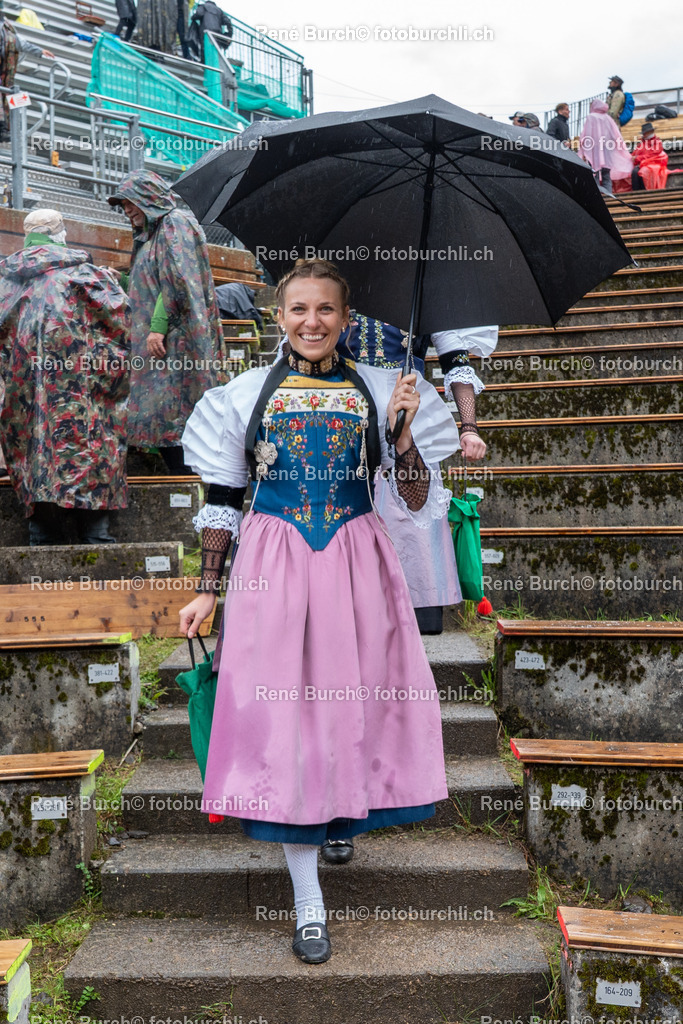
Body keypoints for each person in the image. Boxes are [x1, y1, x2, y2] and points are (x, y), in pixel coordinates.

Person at [179, 258, 457, 965]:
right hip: (272, 567)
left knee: (352, 701)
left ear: (345, 316)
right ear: (278, 316)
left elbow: (418, 501)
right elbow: (221, 499)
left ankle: (339, 808)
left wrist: (400, 435)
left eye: (325, 310)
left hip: (358, 561)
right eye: (298, 309)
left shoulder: (381, 388)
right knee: (286, 716)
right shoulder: (241, 396)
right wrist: (207, 588)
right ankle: (306, 904)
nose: (311, 322)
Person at [0, 209, 130, 545]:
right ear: (61, 233)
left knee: (40, 514)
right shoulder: (86, 276)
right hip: (82, 415)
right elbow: (125, 327)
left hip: (28, 415)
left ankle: (41, 585)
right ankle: (100, 581)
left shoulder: (5, 282)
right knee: (95, 517)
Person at [107, 170, 222, 474]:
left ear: (149, 198)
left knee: (177, 418)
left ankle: (193, 488)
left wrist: (158, 327)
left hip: (174, 345)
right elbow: (150, 282)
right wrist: (118, 279)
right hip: (159, 349)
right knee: (164, 418)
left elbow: (176, 281)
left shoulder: (175, 224)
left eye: (131, 202)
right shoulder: (152, 234)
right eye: (123, 205)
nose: (127, 210)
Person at [0, 1, 54, 142]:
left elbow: (20, 42)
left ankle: (5, 130)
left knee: (10, 96)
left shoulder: (6, 27)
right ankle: (3, 129)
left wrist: (40, 51)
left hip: (4, 72)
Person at [579, 99, 633, 194]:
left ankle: (596, 196)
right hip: (607, 150)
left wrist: (583, 149)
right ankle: (608, 196)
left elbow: (586, 135)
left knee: (594, 174)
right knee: (606, 175)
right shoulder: (607, 118)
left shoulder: (591, 117)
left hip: (594, 151)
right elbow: (615, 134)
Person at [632, 122, 669, 191]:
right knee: (634, 172)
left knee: (642, 172)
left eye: (645, 133)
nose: (644, 135)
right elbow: (635, 153)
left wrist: (638, 158)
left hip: (652, 164)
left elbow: (653, 154)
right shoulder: (642, 143)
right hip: (642, 164)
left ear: (650, 132)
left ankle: (643, 192)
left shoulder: (657, 142)